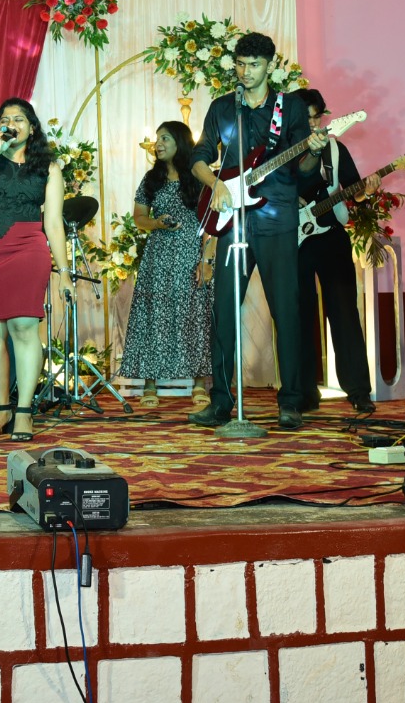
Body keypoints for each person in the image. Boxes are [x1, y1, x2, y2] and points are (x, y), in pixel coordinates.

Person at [187, 33, 327, 430]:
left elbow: (303, 169)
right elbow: (200, 156)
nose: (245, 72)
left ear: (270, 65)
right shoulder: (223, 107)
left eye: (254, 65)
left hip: (277, 218)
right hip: (233, 220)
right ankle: (220, 402)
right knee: (224, 311)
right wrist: (215, 185)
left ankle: (291, 402)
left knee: (287, 310)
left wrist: (314, 150)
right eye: (240, 64)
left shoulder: (290, 106)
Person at [0, 98, 72, 442]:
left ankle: (23, 411)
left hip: (27, 247)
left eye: (19, 118)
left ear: (32, 127)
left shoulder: (48, 167)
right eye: (5, 119)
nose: (11, 123)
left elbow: (54, 223)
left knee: (24, 326)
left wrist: (65, 271)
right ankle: (1, 410)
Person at [293, 88, 380, 416]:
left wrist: (364, 192)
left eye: (317, 117)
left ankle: (358, 391)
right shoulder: (284, 151)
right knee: (299, 316)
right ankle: (304, 394)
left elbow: (354, 189)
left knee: (345, 312)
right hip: (294, 241)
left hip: (331, 236)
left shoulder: (335, 148)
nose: (313, 123)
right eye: (306, 118)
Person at [119, 121, 214, 408]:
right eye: (157, 139)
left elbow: (211, 223)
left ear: (180, 142)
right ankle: (150, 384)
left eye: (165, 138)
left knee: (195, 315)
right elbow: (139, 218)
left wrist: (206, 260)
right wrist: (157, 223)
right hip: (158, 257)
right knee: (153, 315)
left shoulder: (198, 177)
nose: (158, 144)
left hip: (191, 255)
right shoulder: (151, 179)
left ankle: (200, 383)